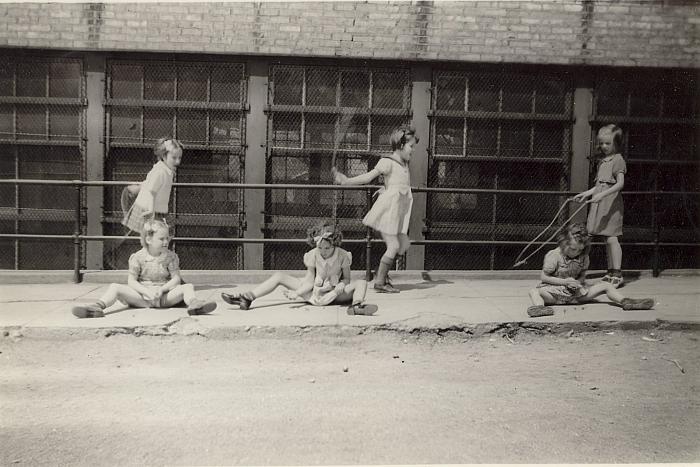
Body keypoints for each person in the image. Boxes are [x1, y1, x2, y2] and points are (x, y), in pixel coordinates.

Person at [221, 221, 376, 315]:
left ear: (334, 244)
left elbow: (347, 278)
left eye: (327, 248)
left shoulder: (343, 255)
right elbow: (309, 280)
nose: (323, 251)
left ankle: (357, 306)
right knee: (280, 276)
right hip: (314, 291)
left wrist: (337, 289)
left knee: (361, 283)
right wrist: (297, 293)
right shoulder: (313, 255)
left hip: (335, 292)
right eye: (320, 248)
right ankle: (247, 298)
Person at [332, 127, 418, 293]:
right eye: (411, 146)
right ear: (400, 145)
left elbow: (395, 183)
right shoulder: (387, 161)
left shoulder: (404, 163)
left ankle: (382, 277)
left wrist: (386, 188)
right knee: (394, 246)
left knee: (401, 244)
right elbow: (368, 177)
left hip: (397, 211)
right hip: (388, 212)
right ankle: (380, 282)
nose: (413, 150)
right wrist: (347, 181)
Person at [72, 219, 216, 318]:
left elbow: (176, 279)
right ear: (148, 240)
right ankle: (97, 307)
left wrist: (163, 289)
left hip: (164, 297)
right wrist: (146, 291)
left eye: (167, 238)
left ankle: (195, 305)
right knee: (115, 287)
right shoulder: (138, 257)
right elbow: (132, 281)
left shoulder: (171, 257)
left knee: (188, 286)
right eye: (161, 239)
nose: (166, 241)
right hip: (142, 297)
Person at [527, 223, 654, 317]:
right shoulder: (554, 255)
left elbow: (582, 275)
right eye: (572, 249)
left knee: (606, 285)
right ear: (563, 243)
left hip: (576, 295)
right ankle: (539, 308)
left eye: (579, 250)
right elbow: (544, 277)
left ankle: (626, 302)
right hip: (554, 295)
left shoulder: (584, 257)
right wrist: (565, 282)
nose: (576, 252)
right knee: (534, 291)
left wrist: (578, 282)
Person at [573, 124, 626, 287]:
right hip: (599, 205)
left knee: (612, 238)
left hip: (611, 205)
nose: (603, 146)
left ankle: (617, 273)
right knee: (605, 239)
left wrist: (602, 195)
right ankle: (610, 271)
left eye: (607, 144)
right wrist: (586, 194)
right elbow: (600, 185)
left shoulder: (618, 160)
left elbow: (620, 184)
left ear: (616, 144)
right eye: (601, 143)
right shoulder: (602, 161)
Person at [121, 137, 184, 234]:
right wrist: (151, 210)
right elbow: (152, 191)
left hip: (157, 210)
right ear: (164, 156)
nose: (178, 162)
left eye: (179, 158)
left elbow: (149, 184)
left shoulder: (166, 170)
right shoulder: (160, 172)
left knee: (158, 238)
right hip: (149, 210)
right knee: (154, 239)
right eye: (174, 158)